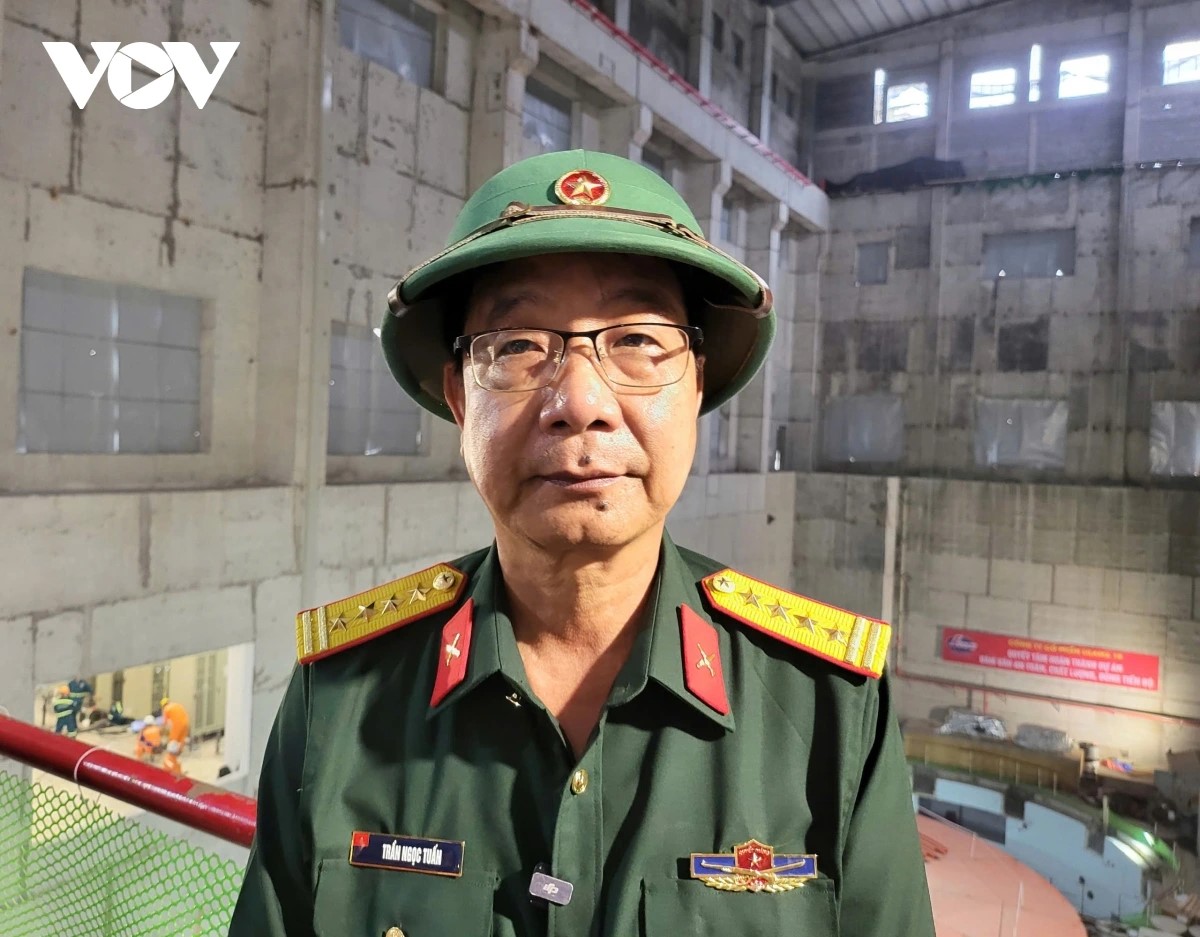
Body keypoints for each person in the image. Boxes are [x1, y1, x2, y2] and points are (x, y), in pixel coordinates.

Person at [230, 150, 934, 936]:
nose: (581, 400)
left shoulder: (831, 711)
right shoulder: (339, 700)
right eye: (518, 345)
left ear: (697, 384)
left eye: (637, 339)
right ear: (460, 396)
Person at [159, 697, 190, 775]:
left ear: (163, 706)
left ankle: (171, 762)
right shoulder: (177, 705)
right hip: (186, 724)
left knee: (173, 741)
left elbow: (164, 723)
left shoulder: (166, 709)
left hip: (177, 725)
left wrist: (161, 732)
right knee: (181, 741)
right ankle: (178, 754)